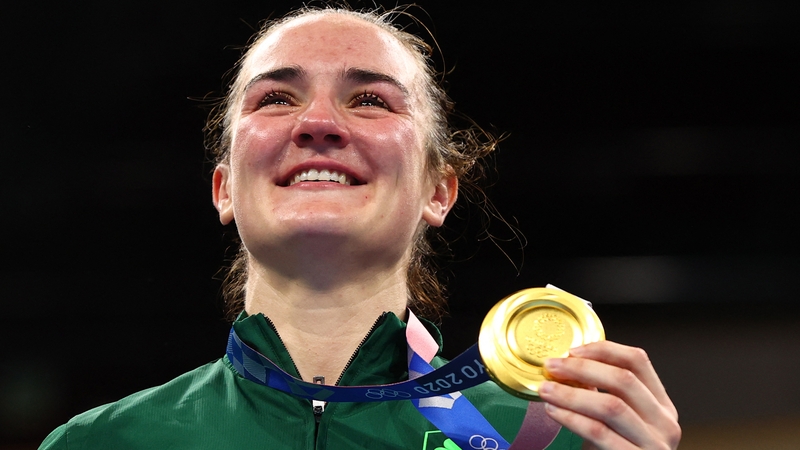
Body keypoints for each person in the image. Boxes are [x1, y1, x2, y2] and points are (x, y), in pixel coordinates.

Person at [39, 6, 680, 450]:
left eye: (370, 99)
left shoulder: (553, 438)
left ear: (438, 189)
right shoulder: (101, 442)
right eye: (276, 99)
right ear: (225, 187)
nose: (318, 124)